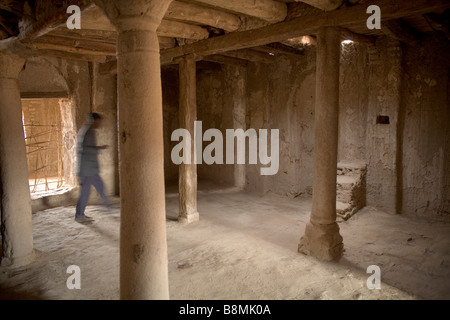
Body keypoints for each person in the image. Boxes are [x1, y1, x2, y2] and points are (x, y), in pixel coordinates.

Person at [75, 112, 111, 223]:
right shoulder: (87, 132)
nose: (100, 124)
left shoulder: (88, 131)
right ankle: (79, 215)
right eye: (99, 121)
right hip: (87, 170)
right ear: (94, 121)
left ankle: (109, 206)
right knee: (85, 193)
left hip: (90, 168)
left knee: (100, 186)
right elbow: (84, 149)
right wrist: (99, 148)